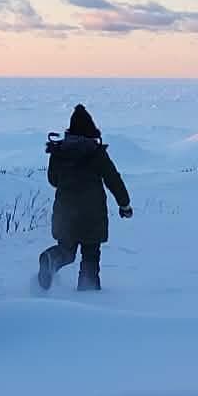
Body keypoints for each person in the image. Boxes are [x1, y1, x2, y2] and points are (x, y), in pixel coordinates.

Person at [38, 103, 132, 293]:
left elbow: (53, 180)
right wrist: (124, 205)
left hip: (65, 212)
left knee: (66, 250)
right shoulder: (97, 154)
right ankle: (88, 295)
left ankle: (51, 259)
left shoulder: (59, 152)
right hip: (92, 215)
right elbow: (113, 180)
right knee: (90, 256)